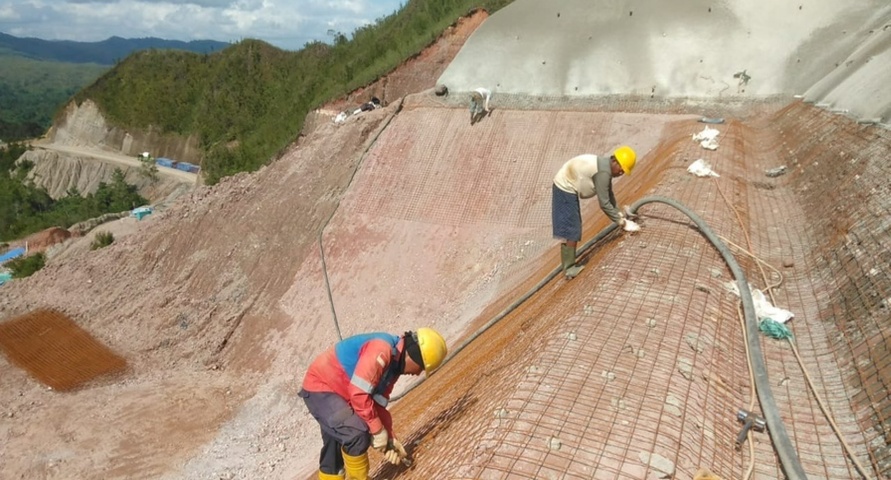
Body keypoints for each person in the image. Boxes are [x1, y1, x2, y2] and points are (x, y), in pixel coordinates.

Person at [299, 328, 448, 480]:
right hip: (321, 387)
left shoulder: (394, 365)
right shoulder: (382, 349)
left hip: (338, 391)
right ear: (413, 356)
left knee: (335, 443)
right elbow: (359, 394)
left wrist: (389, 439)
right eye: (421, 368)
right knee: (356, 434)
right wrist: (377, 431)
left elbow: (376, 403)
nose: (417, 373)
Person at [551, 146, 639, 279]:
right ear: (615, 161)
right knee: (572, 228)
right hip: (565, 187)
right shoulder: (603, 173)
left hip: (567, 182)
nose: (621, 172)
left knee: (572, 226)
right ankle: (569, 268)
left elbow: (609, 194)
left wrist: (619, 214)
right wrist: (623, 223)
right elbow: (604, 204)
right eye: (621, 169)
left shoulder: (605, 167)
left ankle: (568, 264)